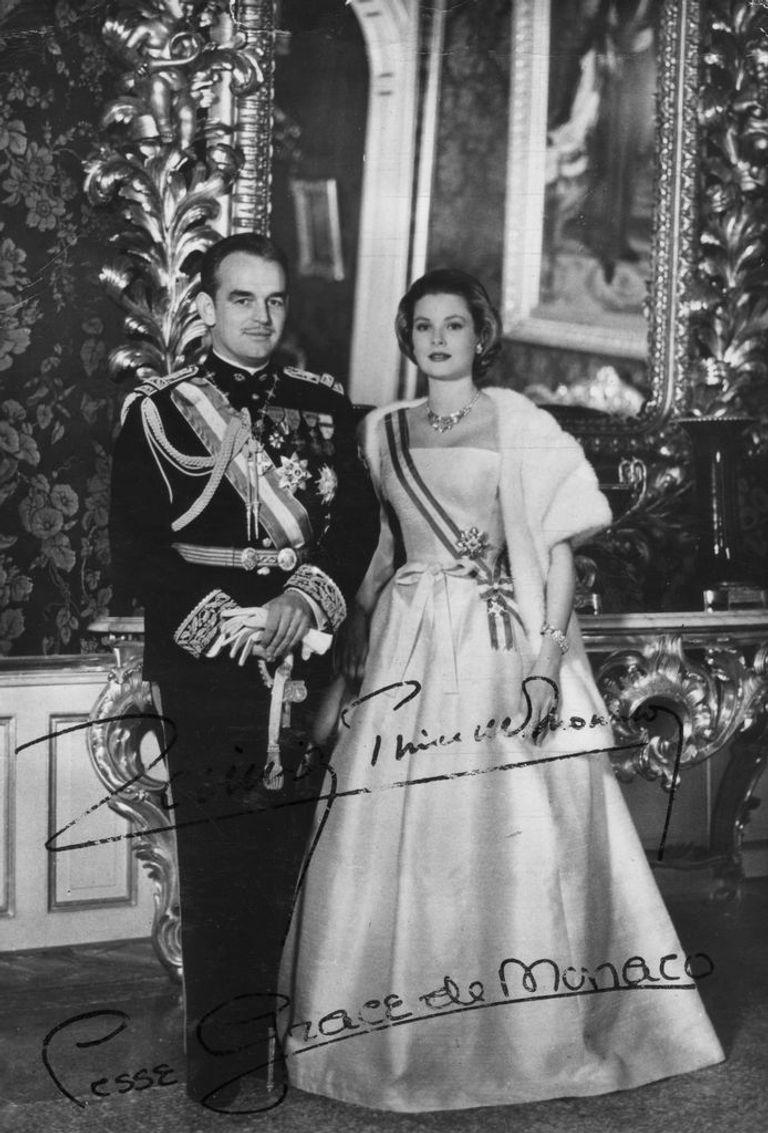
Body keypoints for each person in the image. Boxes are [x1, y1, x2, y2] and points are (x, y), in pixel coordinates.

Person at [278, 269, 724, 1112]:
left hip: (498, 642)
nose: (439, 339)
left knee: (515, 833)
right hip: (411, 639)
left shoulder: (521, 422)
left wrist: (544, 661)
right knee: (403, 831)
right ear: (406, 337)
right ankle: (402, 1033)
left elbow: (554, 552)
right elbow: (373, 555)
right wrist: (357, 650)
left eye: (455, 325)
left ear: (481, 335)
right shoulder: (381, 434)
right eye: (423, 326)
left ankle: (528, 1033)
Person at [109, 232, 379, 1112]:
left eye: (274, 302)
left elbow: (356, 525)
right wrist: (230, 623)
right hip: (211, 662)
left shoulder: (325, 406)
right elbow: (139, 546)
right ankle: (223, 1074)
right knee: (219, 864)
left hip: (304, 656)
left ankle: (286, 1057)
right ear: (206, 306)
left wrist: (305, 598)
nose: (260, 318)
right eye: (241, 300)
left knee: (286, 861)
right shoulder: (158, 411)